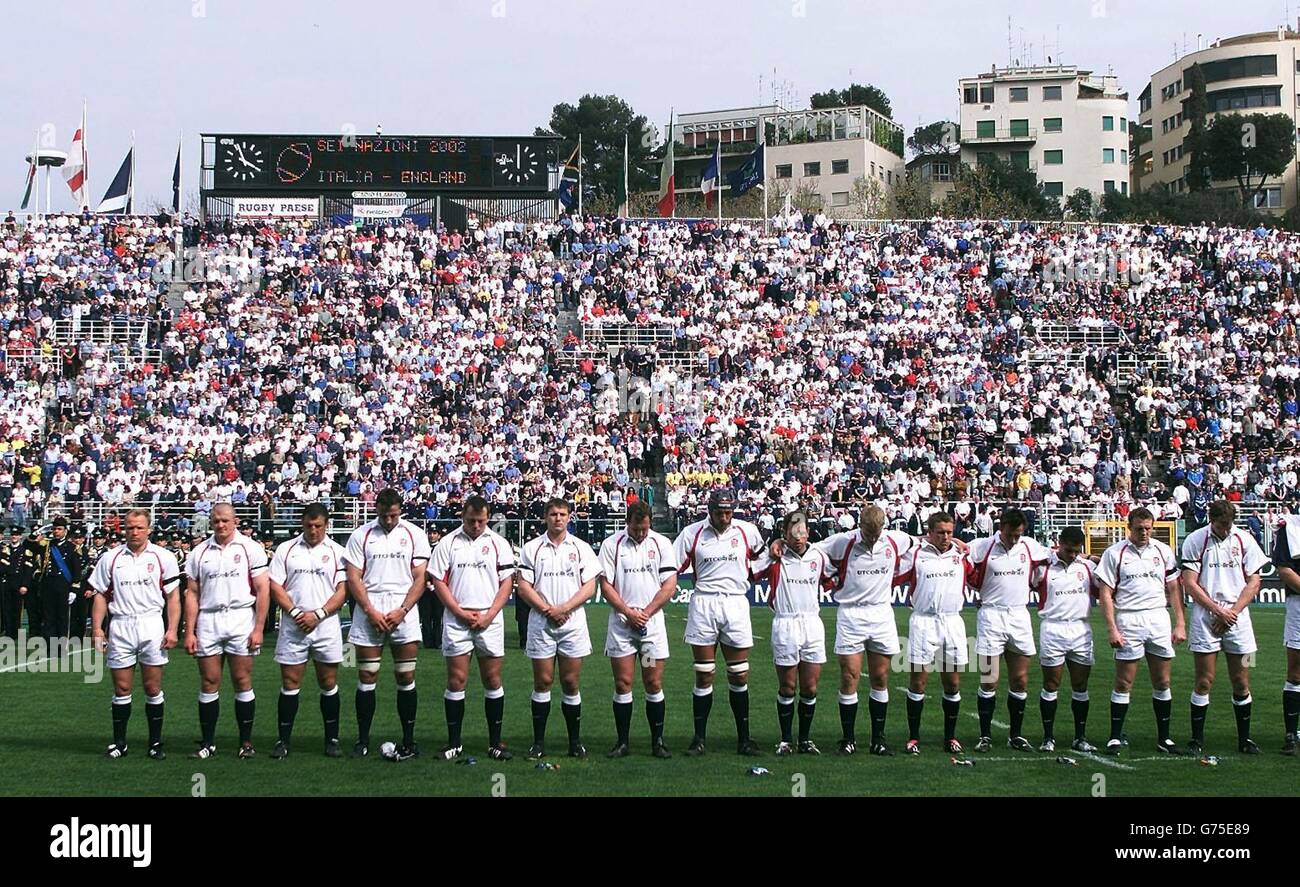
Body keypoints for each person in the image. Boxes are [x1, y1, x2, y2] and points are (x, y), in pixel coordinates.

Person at [673, 488, 765, 757]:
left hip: (736, 602)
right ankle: (699, 739)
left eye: (728, 512)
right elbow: (671, 566)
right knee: (704, 673)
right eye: (718, 512)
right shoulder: (692, 533)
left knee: (739, 673)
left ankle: (744, 739)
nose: (724, 517)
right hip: (704, 602)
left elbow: (761, 560)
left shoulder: (747, 531)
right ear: (709, 511)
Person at [817, 504, 915, 756]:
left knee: (880, 678)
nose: (872, 538)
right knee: (850, 676)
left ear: (883, 526)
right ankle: (848, 739)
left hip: (882, 613)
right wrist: (832, 579)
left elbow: (919, 544)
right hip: (851, 614)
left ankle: (878, 739)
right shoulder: (843, 541)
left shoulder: (896, 539)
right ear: (860, 525)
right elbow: (814, 551)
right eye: (868, 533)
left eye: (876, 533)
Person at [343, 488, 431, 760]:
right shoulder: (362, 535)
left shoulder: (414, 534)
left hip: (402, 609)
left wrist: (403, 610)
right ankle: (362, 739)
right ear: (376, 510)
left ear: (399, 510)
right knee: (367, 676)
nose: (389, 520)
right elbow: (353, 577)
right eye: (384, 515)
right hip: (371, 608)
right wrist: (369, 610)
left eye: (393, 515)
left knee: (405, 676)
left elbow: (420, 578)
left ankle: (408, 739)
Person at [428, 496, 516, 762]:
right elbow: (438, 581)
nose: (476, 525)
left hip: (489, 620)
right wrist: (458, 612)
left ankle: (494, 742)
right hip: (458, 620)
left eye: (480, 520)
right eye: (470, 520)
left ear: (488, 518)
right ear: (462, 517)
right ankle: (454, 742)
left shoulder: (498, 543)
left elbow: (507, 583)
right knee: (456, 680)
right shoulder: (448, 542)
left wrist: (489, 615)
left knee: (492, 680)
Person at [89, 509, 182, 759]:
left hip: (151, 624)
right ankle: (120, 743)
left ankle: (155, 743)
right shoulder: (110, 557)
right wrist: (97, 628)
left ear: (149, 528)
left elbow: (173, 597)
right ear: (124, 529)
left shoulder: (164, 557)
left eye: (140, 527)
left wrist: (173, 629)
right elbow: (100, 594)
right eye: (130, 527)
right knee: (121, 688)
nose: (135, 532)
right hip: (120, 625)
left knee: (152, 687)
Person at [182, 503, 271, 759]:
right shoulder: (199, 552)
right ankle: (207, 743)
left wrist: (259, 628)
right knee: (209, 681)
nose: (220, 525)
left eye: (225, 520)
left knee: (242, 680)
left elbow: (263, 589)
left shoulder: (250, 548)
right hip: (209, 620)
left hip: (240, 617)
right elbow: (193, 594)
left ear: (235, 520)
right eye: (216, 521)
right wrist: (190, 631)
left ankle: (246, 742)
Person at [1180, 500, 1268, 756]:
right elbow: (1189, 582)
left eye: (1229, 524)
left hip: (1238, 617)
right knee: (1204, 681)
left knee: (1241, 680)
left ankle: (1245, 739)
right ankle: (1196, 740)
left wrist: (1232, 613)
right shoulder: (1196, 540)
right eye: (1221, 525)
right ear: (1212, 520)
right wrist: (1218, 611)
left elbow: (1254, 581)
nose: (1226, 529)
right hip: (1206, 617)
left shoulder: (1244, 539)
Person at [1095, 507, 1185, 755]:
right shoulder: (1115, 553)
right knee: (1124, 682)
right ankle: (1114, 737)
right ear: (1129, 527)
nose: (1144, 532)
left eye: (1148, 528)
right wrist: (1112, 628)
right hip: (1129, 619)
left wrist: (1179, 623)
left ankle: (1164, 738)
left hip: (1158, 617)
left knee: (1163, 681)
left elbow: (1174, 588)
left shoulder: (1163, 551)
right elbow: (1105, 592)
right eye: (1139, 528)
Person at [516, 498, 600, 759]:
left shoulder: (581, 548)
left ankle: (574, 742)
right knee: (542, 682)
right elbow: (523, 585)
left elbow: (590, 586)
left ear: (570, 517)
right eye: (553, 514)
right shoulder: (532, 548)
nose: (558, 518)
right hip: (542, 623)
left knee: (570, 682)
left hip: (572, 623)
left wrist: (564, 608)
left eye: (563, 514)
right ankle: (538, 743)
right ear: (545, 517)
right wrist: (547, 610)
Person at [597, 501, 679, 759]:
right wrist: (628, 612)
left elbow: (669, 584)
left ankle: (658, 741)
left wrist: (646, 613)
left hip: (650, 628)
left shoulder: (661, 544)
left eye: (645, 528)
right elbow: (606, 585)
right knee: (623, 683)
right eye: (636, 528)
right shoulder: (612, 545)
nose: (641, 533)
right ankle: (622, 742)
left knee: (653, 682)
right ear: (627, 523)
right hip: (623, 627)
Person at [967, 507, 1052, 752]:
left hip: (1019, 615)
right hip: (991, 616)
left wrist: (1090, 557)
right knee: (989, 679)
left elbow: (1057, 555)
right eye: (1011, 534)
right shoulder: (982, 547)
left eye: (1018, 534)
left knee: (1020, 680)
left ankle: (1015, 735)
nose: (1015, 539)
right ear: (1000, 527)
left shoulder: (1028, 546)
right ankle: (985, 736)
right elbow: (960, 550)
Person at [267, 503, 348, 759]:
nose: (313, 530)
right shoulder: (286, 549)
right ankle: (283, 741)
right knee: (290, 683)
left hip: (325, 625)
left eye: (318, 526)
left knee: (329, 682)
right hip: (294, 625)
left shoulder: (338, 552)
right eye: (308, 526)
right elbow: (275, 585)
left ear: (326, 525)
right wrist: (296, 613)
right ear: (302, 524)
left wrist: (320, 614)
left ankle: (332, 740)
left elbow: (343, 590)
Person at [751, 511, 835, 755]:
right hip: (785, 624)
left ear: (808, 532)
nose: (798, 537)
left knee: (809, 688)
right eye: (792, 532)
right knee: (788, 687)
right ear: (785, 534)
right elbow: (750, 571)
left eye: (802, 531)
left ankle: (805, 739)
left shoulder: (819, 556)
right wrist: (771, 547)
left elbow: (835, 577)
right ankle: (786, 740)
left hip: (812, 623)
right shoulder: (775, 557)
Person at [896, 512, 971, 755]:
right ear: (930, 532)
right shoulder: (916, 554)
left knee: (952, 683)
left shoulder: (961, 554)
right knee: (918, 682)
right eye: (940, 532)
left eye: (950, 532)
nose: (946, 537)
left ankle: (950, 737)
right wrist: (918, 540)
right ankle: (913, 737)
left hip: (952, 622)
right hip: (923, 622)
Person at [1032, 526, 1098, 753]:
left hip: (1081, 629)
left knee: (1080, 685)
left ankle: (1080, 737)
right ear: (1059, 543)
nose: (1072, 555)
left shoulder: (1088, 568)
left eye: (1076, 551)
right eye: (1068, 550)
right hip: (1053, 628)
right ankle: (1048, 737)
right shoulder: (1043, 569)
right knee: (1051, 684)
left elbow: (1104, 590)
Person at [19, 517, 83, 648]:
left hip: (63, 586)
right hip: (48, 586)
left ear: (65, 530)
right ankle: (50, 647)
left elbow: (76, 571)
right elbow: (27, 545)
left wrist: (74, 590)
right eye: (54, 529)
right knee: (48, 617)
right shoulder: (47, 544)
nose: (56, 532)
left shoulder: (73, 548)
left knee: (62, 618)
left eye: (59, 529)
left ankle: (61, 647)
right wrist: (34, 534)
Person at [1273, 514, 1300, 754]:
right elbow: (1284, 569)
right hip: (1299, 604)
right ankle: (1292, 734)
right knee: (1296, 672)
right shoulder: (1289, 528)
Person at [0, 526, 22, 640]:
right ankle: (8, 632)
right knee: (7, 608)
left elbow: (25, 569)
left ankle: (16, 631)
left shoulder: (23, 550)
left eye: (16, 535)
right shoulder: (5, 549)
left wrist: (24, 584)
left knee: (17, 609)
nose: (14, 536)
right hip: (7, 581)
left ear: (20, 536)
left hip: (18, 582)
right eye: (13, 535)